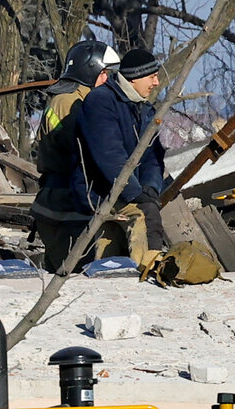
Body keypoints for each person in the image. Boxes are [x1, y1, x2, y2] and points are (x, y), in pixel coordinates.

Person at [70, 46, 169, 273]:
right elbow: (109, 156)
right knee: (146, 213)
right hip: (98, 192)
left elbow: (154, 157)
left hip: (125, 191)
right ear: (135, 78)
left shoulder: (145, 109)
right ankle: (147, 268)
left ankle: (142, 268)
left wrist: (151, 187)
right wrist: (137, 193)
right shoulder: (100, 101)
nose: (157, 83)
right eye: (152, 77)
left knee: (149, 205)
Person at [30, 40, 119, 270]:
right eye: (103, 74)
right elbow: (86, 150)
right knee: (73, 278)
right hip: (65, 208)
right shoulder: (70, 102)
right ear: (89, 72)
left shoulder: (76, 99)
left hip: (67, 203)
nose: (107, 80)